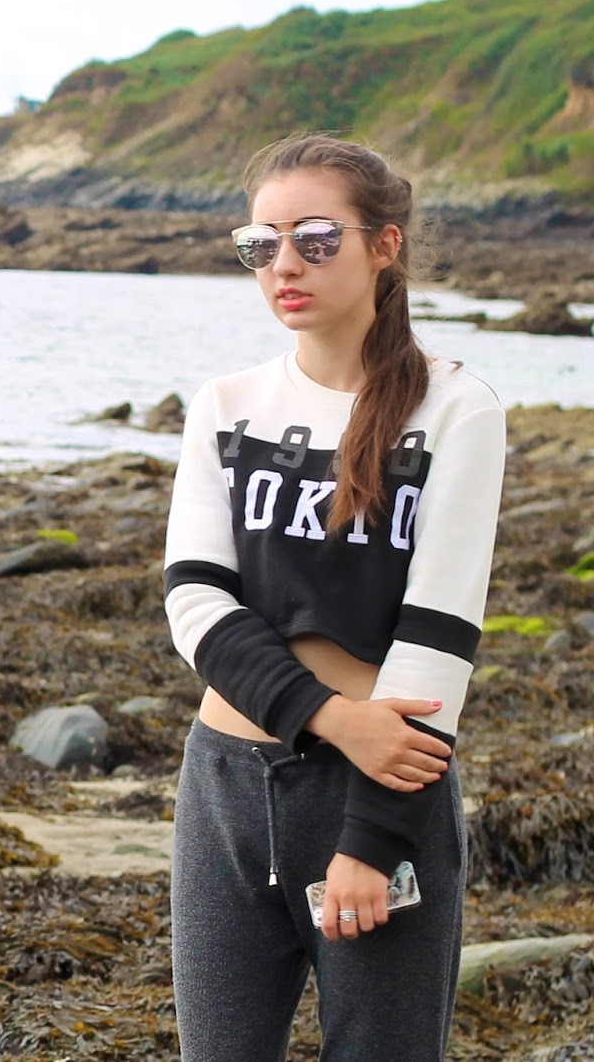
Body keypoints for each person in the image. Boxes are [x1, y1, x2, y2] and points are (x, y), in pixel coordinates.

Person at [162, 133, 507, 1061]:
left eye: (315, 239)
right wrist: (330, 715)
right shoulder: (225, 403)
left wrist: (373, 837)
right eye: (261, 243)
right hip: (226, 789)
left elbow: (439, 633)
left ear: (384, 245)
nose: (284, 265)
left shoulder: (457, 408)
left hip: (378, 790)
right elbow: (196, 600)